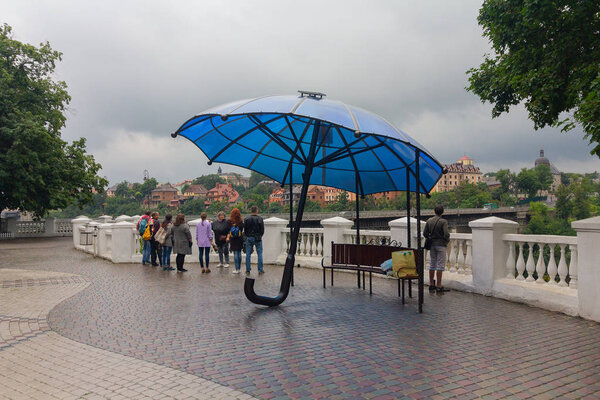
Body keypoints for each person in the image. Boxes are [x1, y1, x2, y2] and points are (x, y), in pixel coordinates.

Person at [423, 205, 450, 293]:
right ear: (442, 212)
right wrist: (446, 240)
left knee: (432, 264)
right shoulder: (443, 221)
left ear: (434, 211)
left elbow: (425, 233)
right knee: (440, 265)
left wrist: (430, 237)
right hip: (441, 245)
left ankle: (431, 284)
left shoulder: (429, 221)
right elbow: (446, 234)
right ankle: (439, 286)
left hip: (432, 245)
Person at [244, 206, 264, 275]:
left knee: (248, 254)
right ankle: (260, 269)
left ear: (251, 211)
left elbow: (245, 230)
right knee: (260, 253)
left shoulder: (246, 219)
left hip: (249, 237)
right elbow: (262, 230)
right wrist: (259, 235)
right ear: (256, 210)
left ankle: (248, 269)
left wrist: (247, 236)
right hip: (257, 237)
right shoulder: (260, 219)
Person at [228, 208, 244, 274]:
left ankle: (236, 269)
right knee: (239, 253)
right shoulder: (240, 221)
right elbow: (242, 229)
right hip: (239, 239)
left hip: (233, 239)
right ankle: (239, 269)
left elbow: (228, 229)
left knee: (235, 253)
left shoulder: (230, 221)